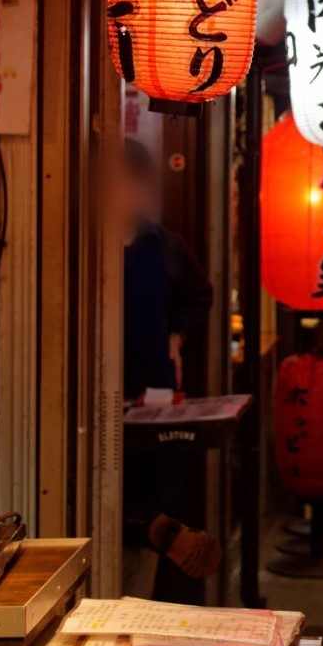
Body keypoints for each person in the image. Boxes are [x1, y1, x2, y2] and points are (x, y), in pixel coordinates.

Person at [119, 138, 220, 596]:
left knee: (151, 499)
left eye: (132, 183)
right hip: (96, 400)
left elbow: (201, 295)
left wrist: (177, 337)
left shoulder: (164, 245)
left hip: (154, 397)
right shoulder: (79, 245)